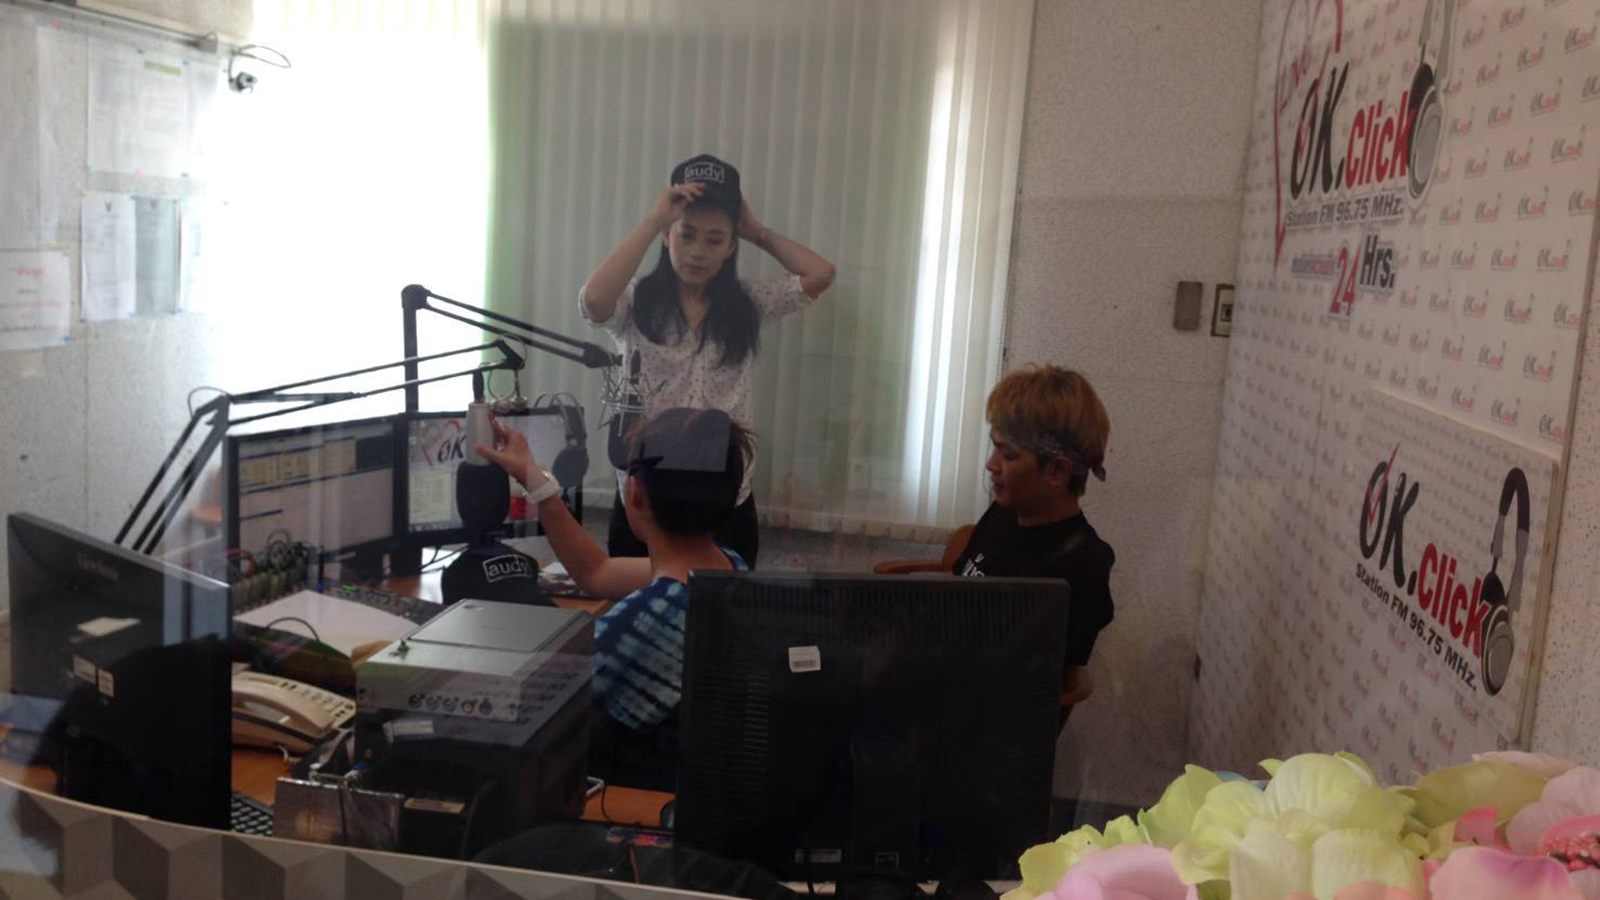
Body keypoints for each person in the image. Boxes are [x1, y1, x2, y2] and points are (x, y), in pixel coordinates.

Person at [477, 405, 754, 788]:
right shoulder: (726, 567)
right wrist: (532, 477)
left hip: (637, 796)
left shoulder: (639, 627)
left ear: (634, 492)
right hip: (697, 788)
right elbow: (597, 572)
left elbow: (521, 708)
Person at [580, 153, 836, 566]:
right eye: (687, 235)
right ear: (668, 236)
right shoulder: (637, 302)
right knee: (638, 599)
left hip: (723, 492)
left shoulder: (749, 303)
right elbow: (594, 300)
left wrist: (758, 233)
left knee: (722, 604)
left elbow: (820, 274)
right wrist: (652, 221)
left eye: (715, 240)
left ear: (731, 246)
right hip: (648, 494)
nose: (698, 252)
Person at [949, 366, 1115, 722]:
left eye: (1008, 455)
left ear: (1056, 471)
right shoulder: (1004, 513)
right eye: (994, 449)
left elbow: (1029, 687)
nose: (991, 464)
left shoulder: (1082, 566)